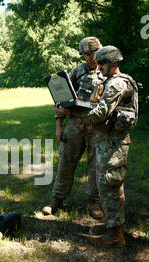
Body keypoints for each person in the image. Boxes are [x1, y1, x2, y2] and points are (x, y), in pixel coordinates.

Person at [61, 45, 139, 247]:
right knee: (107, 184)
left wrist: (72, 112)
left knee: (110, 185)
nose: (99, 65)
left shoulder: (117, 85)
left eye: (103, 62)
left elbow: (100, 114)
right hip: (107, 142)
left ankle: (116, 236)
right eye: (99, 62)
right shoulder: (111, 81)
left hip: (113, 144)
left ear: (114, 63)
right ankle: (114, 227)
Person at [42, 37, 105, 219]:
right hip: (75, 123)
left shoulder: (107, 71)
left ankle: (93, 200)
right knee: (66, 161)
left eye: (91, 52)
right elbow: (61, 96)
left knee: (96, 164)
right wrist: (59, 125)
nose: (88, 57)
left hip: (96, 125)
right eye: (84, 54)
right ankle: (58, 199)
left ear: (98, 51)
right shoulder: (77, 72)